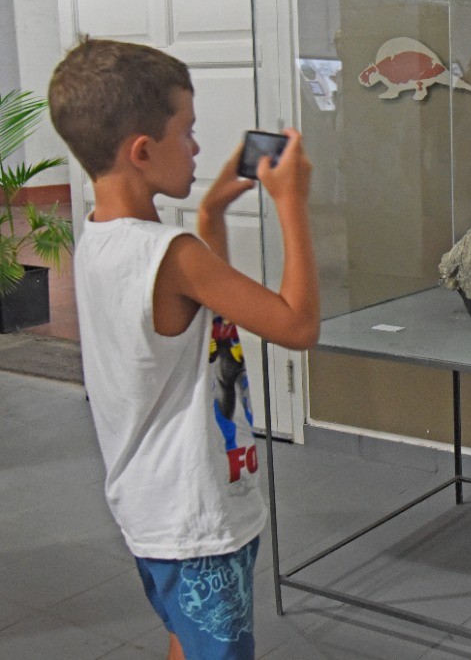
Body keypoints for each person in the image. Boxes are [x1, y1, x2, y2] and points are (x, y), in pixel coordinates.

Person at [47, 38, 319, 660]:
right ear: (143, 152)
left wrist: (216, 209)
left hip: (154, 509)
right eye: (188, 132)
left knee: (186, 638)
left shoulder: (104, 238)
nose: (198, 147)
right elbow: (297, 326)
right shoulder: (172, 256)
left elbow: (207, 306)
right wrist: (292, 206)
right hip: (197, 521)